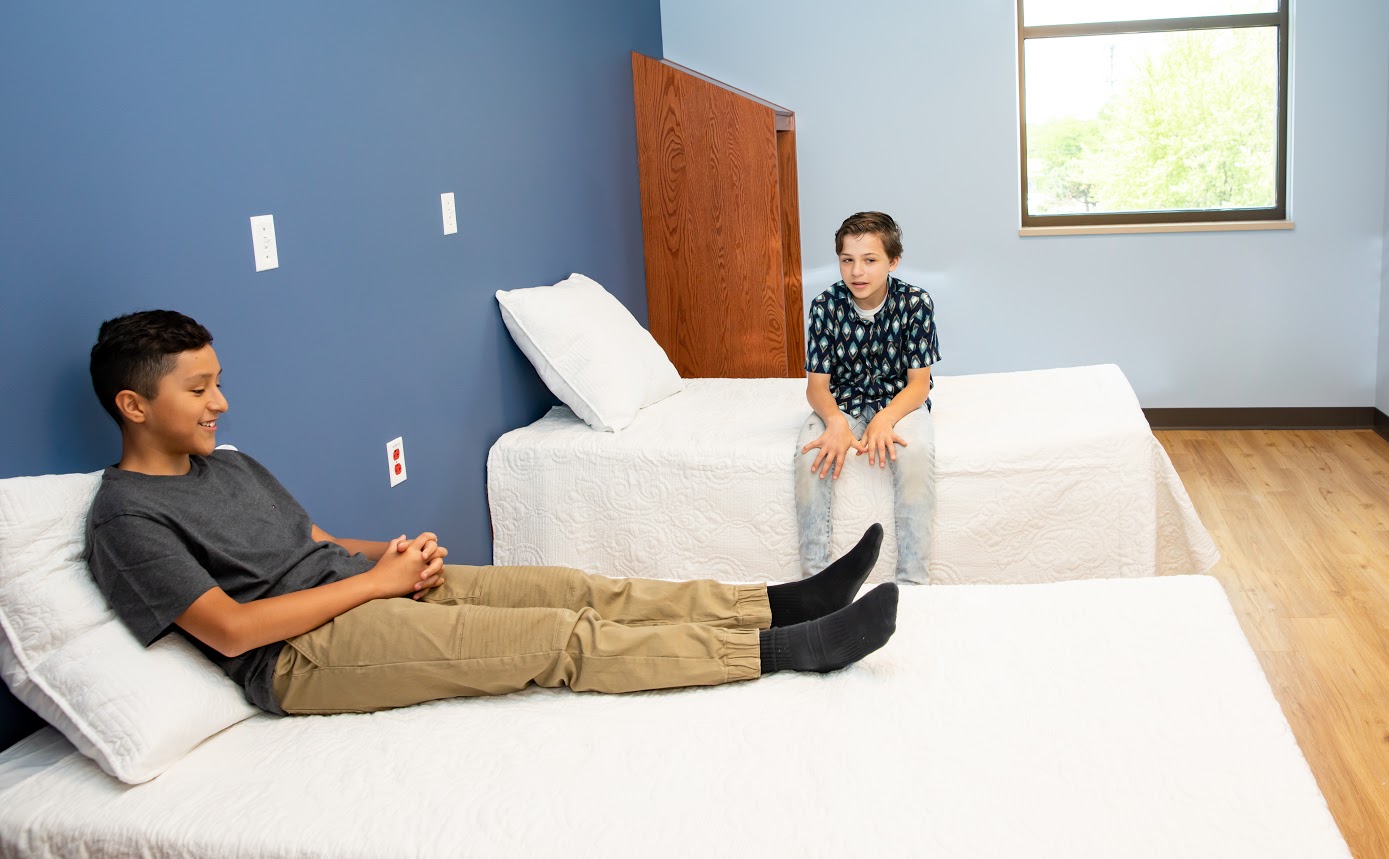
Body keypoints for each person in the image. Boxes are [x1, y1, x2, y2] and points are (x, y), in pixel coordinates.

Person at [83, 310, 896, 717]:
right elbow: (230, 630)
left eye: (218, 382)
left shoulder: (226, 464)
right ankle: (785, 649)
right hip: (298, 655)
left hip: (362, 588)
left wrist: (392, 553)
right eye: (199, 389)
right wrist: (375, 584)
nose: (221, 402)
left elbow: (315, 540)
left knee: (579, 589)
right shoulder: (126, 517)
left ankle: (779, 601)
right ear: (134, 404)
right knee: (558, 639)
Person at [796, 211, 940, 585]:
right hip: (841, 401)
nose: (857, 271)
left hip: (899, 401)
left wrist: (885, 418)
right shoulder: (825, 306)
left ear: (893, 262)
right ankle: (816, 581)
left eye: (870, 260)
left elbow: (919, 385)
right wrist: (835, 421)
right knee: (811, 455)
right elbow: (816, 387)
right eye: (847, 260)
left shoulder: (915, 303)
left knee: (915, 454)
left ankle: (912, 583)